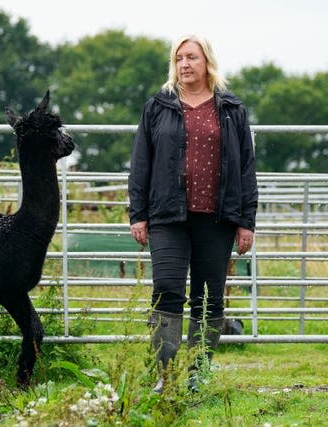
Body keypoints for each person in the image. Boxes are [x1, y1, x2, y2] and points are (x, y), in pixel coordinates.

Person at [127, 34, 258, 392]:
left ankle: (196, 375)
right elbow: (141, 163)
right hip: (168, 215)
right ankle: (165, 378)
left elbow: (246, 167)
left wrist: (246, 221)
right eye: (179, 58)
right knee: (166, 289)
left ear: (207, 62)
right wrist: (137, 213)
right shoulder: (158, 106)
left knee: (209, 296)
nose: (185, 64)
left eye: (192, 58)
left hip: (218, 217)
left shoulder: (231, 109)